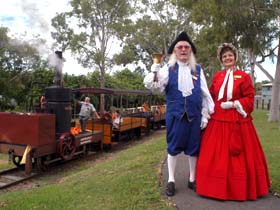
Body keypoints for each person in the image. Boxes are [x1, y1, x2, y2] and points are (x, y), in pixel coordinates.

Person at [195, 43, 271, 201]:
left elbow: (250, 98)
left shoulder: (244, 76)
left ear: (235, 58)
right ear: (221, 60)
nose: (227, 58)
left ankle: (240, 188)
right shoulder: (217, 76)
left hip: (237, 118)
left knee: (239, 154)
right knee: (214, 153)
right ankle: (213, 188)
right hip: (217, 119)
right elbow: (210, 96)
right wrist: (205, 112)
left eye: (230, 55)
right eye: (224, 57)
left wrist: (235, 104)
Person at [143, 31, 214, 196]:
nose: (183, 49)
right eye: (180, 47)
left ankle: (192, 179)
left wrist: (205, 114)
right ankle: (171, 180)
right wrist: (154, 71)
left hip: (194, 116)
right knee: (173, 148)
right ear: (175, 51)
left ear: (190, 51)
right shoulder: (169, 69)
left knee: (193, 148)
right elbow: (153, 85)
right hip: (175, 116)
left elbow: (205, 93)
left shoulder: (197, 70)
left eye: (186, 47)